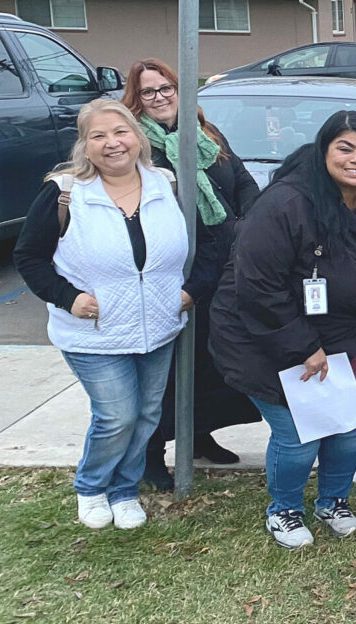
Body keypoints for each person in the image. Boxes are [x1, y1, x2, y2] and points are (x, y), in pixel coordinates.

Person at [209, 111, 356, 549]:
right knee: (298, 436)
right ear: (324, 151)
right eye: (345, 148)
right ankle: (283, 510)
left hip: (342, 337)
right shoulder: (285, 205)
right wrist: (302, 345)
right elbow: (258, 287)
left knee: (349, 431)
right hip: (263, 337)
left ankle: (333, 501)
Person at [14, 99, 193, 530]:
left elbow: (197, 246)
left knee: (148, 415)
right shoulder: (65, 192)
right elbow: (30, 257)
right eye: (99, 136)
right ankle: (91, 487)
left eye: (120, 132)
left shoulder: (165, 183)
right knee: (117, 415)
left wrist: (189, 291)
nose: (113, 143)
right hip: (93, 331)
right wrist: (68, 297)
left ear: (138, 137)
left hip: (158, 327)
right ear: (85, 145)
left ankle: (125, 490)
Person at [121, 57, 263, 491]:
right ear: (136, 100)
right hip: (172, 272)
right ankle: (150, 455)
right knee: (164, 368)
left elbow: (241, 182)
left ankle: (199, 435)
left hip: (223, 263)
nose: (161, 97)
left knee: (209, 359)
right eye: (149, 91)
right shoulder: (137, 147)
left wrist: (247, 226)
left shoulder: (205, 133)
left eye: (167, 88)